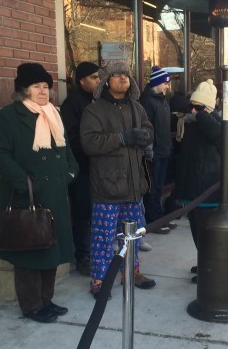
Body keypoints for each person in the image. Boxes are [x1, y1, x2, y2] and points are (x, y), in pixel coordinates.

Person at [0, 62, 79, 323]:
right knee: (30, 250)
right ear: (23, 90)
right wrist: (24, 182)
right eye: (36, 86)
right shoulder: (8, 116)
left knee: (51, 249)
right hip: (26, 196)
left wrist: (71, 172)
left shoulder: (53, 114)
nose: (43, 91)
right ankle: (31, 306)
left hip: (55, 194)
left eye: (46, 87)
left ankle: (46, 300)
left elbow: (66, 149)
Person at [80, 61, 156, 297]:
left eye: (125, 75)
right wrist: (122, 138)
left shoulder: (137, 108)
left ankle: (131, 272)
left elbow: (149, 130)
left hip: (134, 186)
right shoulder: (94, 110)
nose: (122, 78)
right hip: (107, 186)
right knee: (103, 238)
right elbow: (89, 143)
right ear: (106, 81)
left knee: (131, 236)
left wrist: (144, 136)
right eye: (116, 75)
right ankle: (100, 281)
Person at [173, 79, 221, 283]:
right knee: (196, 229)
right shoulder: (194, 122)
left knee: (206, 232)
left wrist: (201, 113)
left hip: (206, 186)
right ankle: (204, 262)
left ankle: (210, 268)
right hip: (193, 184)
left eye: (198, 106)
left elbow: (217, 133)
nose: (192, 109)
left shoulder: (212, 121)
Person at [60, 61, 100, 275]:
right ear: (81, 80)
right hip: (82, 168)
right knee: (83, 213)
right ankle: (83, 255)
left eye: (99, 76)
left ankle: (95, 251)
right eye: (94, 77)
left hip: (99, 169)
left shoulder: (98, 101)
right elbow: (72, 138)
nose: (98, 80)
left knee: (97, 213)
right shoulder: (72, 104)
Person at [139, 66, 174, 235]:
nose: (168, 86)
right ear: (158, 83)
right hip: (154, 153)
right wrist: (149, 150)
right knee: (153, 188)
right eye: (166, 83)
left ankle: (159, 218)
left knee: (159, 187)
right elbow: (146, 128)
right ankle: (153, 221)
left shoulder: (162, 100)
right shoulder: (147, 101)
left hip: (164, 150)